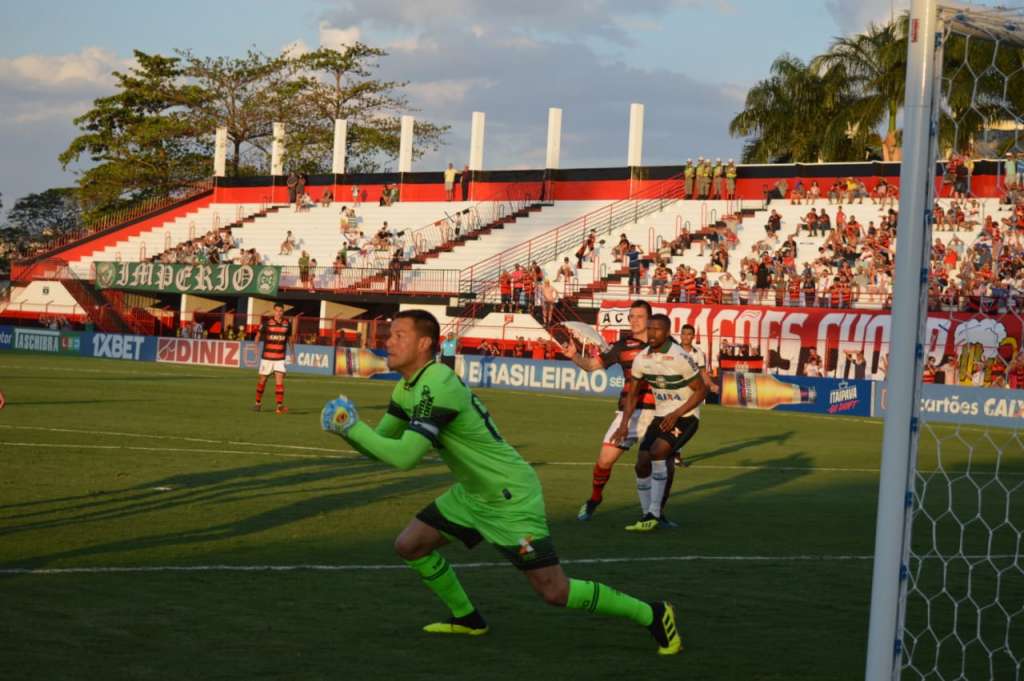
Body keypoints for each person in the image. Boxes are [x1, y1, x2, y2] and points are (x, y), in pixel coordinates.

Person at [319, 310, 681, 655]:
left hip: (509, 497)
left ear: (425, 343)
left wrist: (352, 428)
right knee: (410, 545)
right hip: (473, 493)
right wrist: (346, 432)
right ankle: (468, 619)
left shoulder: (437, 384)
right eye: (390, 334)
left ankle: (652, 613)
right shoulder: (406, 389)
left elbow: (404, 457)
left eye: (400, 335)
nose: (390, 341)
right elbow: (383, 446)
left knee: (555, 591)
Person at [562, 300, 656, 521]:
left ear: (650, 320)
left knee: (645, 464)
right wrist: (574, 356)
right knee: (604, 460)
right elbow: (592, 366)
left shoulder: (662, 344)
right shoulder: (622, 346)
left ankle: (651, 513)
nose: (633, 320)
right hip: (629, 413)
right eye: (631, 316)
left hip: (657, 414)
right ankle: (595, 499)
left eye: (639, 316)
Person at [613, 314, 707, 532]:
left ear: (666, 333)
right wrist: (624, 423)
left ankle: (654, 513)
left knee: (657, 452)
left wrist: (676, 413)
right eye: (650, 328)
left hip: (686, 416)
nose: (652, 333)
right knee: (641, 463)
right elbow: (633, 394)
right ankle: (648, 515)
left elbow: (701, 390)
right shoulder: (642, 359)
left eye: (657, 329)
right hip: (661, 416)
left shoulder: (679, 357)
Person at [252, 303, 293, 414]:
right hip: (267, 358)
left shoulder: (287, 324)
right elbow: (258, 335)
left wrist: (292, 353)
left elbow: (289, 339)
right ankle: (258, 403)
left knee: (279, 382)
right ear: (274, 311)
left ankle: (279, 406)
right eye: (277, 310)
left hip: (280, 358)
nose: (279, 313)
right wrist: (255, 347)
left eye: (281, 311)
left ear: (283, 312)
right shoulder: (267, 323)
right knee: (263, 380)